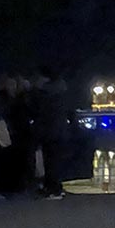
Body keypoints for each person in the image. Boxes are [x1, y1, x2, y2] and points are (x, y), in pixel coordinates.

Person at [30, 66, 69, 200]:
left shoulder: (45, 93)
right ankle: (55, 188)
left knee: (50, 160)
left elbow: (38, 111)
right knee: (55, 160)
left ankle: (53, 189)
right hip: (60, 130)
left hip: (49, 130)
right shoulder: (61, 91)